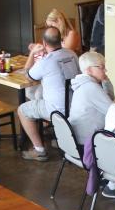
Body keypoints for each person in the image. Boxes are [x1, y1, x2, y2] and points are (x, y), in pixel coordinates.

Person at [18, 26, 79, 161]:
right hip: (75, 105)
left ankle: (39, 150)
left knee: (22, 110)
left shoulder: (46, 62)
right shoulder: (72, 54)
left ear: (44, 43)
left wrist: (32, 53)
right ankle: (60, 137)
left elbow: (28, 76)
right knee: (39, 95)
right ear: (61, 40)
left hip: (56, 110)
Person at [68, 50, 115, 146]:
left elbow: (109, 99)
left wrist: (106, 81)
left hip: (79, 136)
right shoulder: (91, 87)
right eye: (102, 67)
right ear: (89, 70)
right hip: (89, 141)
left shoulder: (85, 83)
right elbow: (114, 112)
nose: (105, 70)